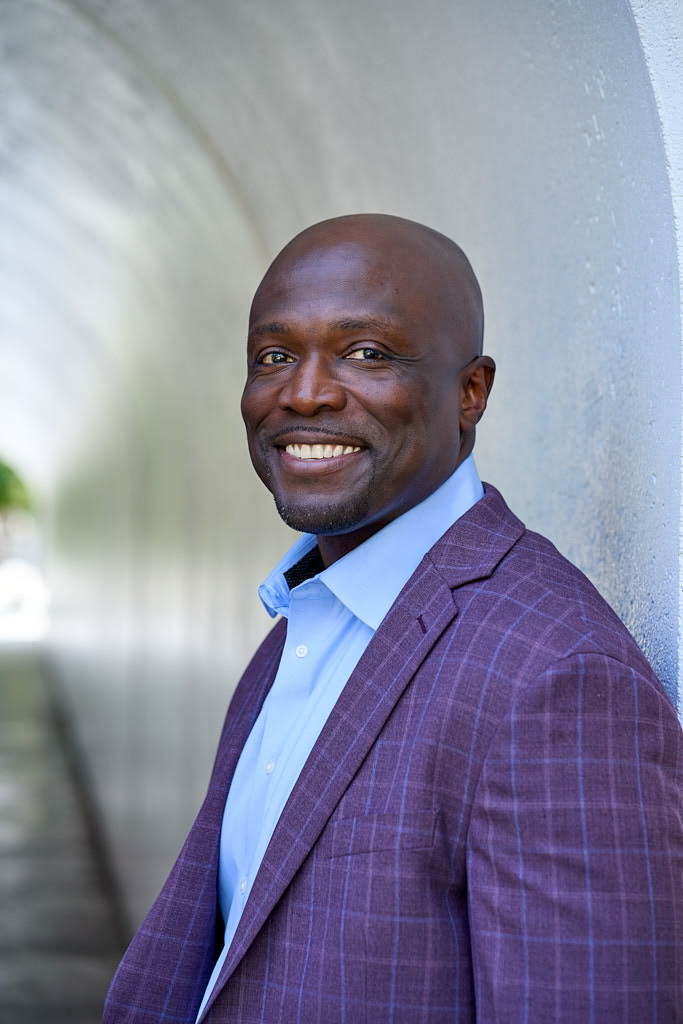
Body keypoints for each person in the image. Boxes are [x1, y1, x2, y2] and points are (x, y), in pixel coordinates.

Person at [104, 214, 682, 1023]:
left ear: (470, 392)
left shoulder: (558, 680)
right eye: (273, 356)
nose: (303, 392)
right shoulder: (304, 622)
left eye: (367, 353)